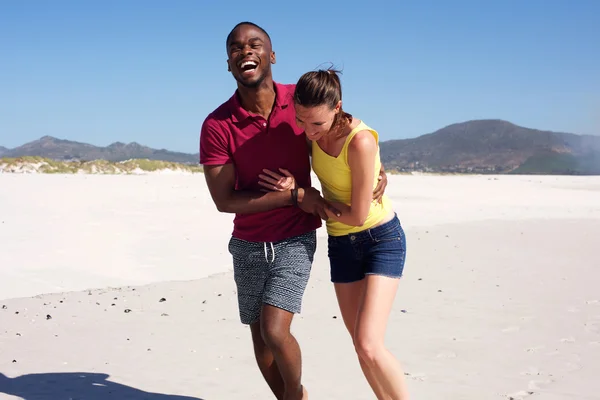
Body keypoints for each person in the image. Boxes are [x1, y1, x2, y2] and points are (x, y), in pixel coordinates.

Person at [199, 22, 388, 400]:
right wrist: (295, 195)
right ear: (228, 63)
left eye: (255, 44)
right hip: (248, 242)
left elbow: (346, 137)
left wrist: (377, 172)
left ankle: (295, 396)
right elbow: (225, 201)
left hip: (295, 237)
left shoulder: (299, 104)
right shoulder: (217, 125)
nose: (245, 51)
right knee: (259, 336)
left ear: (272, 56)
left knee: (274, 329)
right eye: (235, 48)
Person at [259, 68, 409, 400]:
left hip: (380, 238)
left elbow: (357, 215)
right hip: (341, 245)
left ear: (337, 107)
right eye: (301, 121)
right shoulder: (308, 132)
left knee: (370, 344)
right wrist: (295, 190)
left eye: (317, 124)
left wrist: (311, 199)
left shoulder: (360, 141)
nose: (308, 131)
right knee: (360, 346)